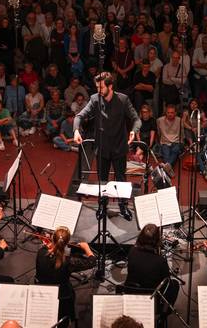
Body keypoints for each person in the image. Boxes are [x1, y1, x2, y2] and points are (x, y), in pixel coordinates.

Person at [73, 72, 141, 221]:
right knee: (102, 180)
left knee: (121, 179)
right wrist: (76, 130)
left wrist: (133, 131)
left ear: (110, 86)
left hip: (119, 147)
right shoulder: (94, 99)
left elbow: (136, 119)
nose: (98, 90)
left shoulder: (123, 99)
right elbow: (79, 116)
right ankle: (103, 206)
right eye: (97, 87)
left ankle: (123, 206)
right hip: (102, 147)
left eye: (101, 87)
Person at [34, 226, 96, 327]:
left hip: (42, 291)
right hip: (62, 297)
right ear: (67, 243)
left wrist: (49, 241)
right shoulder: (68, 262)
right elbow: (92, 262)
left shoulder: (41, 253)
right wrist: (86, 248)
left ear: (52, 239)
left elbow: (47, 248)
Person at [124, 223, 177, 307]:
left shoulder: (132, 251)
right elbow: (165, 280)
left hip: (131, 291)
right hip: (150, 295)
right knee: (175, 284)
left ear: (140, 237)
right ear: (157, 240)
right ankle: (163, 312)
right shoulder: (160, 261)